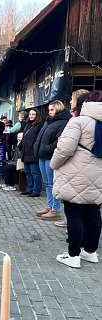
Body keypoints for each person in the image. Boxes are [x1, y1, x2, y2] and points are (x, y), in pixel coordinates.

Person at [51, 90, 102, 268]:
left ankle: (73, 255)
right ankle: (91, 252)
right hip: (98, 175)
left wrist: (53, 164)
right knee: (94, 213)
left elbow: (64, 149)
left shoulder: (79, 122)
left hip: (76, 173)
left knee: (74, 214)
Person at [33, 100, 70, 220]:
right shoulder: (48, 121)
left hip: (50, 157)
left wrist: (47, 148)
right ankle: (49, 206)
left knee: (53, 184)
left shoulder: (63, 122)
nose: (49, 112)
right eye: (49, 109)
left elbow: (58, 142)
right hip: (42, 156)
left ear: (58, 109)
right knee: (47, 183)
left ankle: (55, 209)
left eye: (52, 109)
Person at [20, 108, 43, 197]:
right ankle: (29, 189)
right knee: (28, 172)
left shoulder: (40, 124)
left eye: (33, 114)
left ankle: (36, 190)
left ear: (37, 115)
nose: (31, 116)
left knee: (35, 173)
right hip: (26, 152)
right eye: (30, 114)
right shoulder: (28, 125)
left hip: (33, 153)